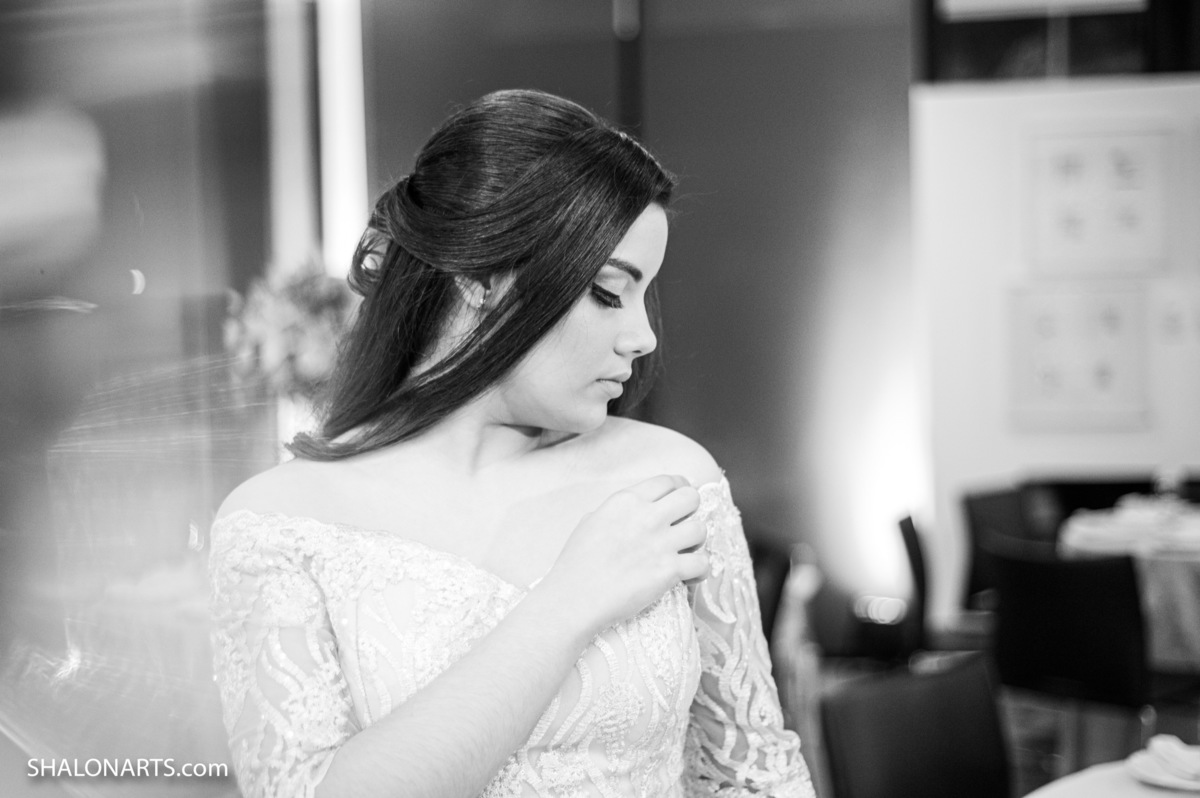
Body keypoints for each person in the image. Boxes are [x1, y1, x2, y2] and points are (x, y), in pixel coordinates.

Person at [209, 89, 814, 798]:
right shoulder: (280, 523)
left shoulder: (670, 480)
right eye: (608, 292)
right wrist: (569, 600)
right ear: (479, 276)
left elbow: (757, 777)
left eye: (644, 294)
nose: (643, 336)